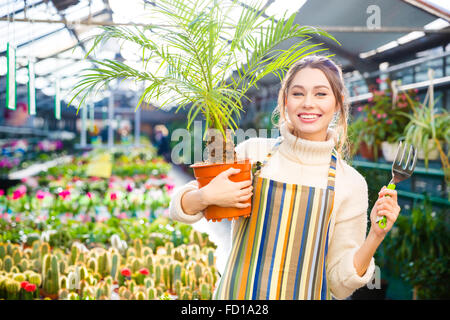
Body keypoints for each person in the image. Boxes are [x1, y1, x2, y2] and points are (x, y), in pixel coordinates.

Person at [168, 55, 400, 300]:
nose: (308, 103)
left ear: (338, 103)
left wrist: (376, 235)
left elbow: (339, 285)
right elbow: (179, 209)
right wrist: (204, 196)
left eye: (321, 94)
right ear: (285, 101)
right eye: (298, 93)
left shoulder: (350, 183)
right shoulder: (253, 152)